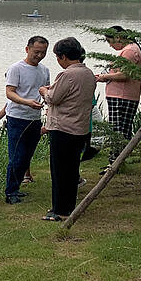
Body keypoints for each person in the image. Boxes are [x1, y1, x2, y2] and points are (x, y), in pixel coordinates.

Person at [39, 37, 97, 222]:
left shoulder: (67, 75)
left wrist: (44, 91)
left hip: (63, 129)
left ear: (63, 57)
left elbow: (53, 98)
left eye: (57, 56)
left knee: (59, 171)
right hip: (80, 129)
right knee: (72, 170)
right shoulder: (88, 73)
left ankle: (60, 210)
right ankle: (68, 206)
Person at [1, 36, 51, 204]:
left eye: (43, 52)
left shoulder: (44, 70)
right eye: (36, 52)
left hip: (35, 118)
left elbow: (46, 91)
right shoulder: (17, 68)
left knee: (27, 156)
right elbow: (10, 92)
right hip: (17, 117)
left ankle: (16, 188)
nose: (39, 55)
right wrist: (26, 102)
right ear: (27, 49)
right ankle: (11, 192)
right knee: (16, 156)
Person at [96, 25, 141, 164]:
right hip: (124, 95)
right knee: (122, 129)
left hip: (122, 96)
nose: (110, 46)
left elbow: (125, 75)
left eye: (110, 42)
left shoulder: (129, 50)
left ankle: (115, 161)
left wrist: (104, 77)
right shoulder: (132, 48)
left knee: (118, 130)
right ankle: (118, 160)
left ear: (118, 38)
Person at [0, 105, 34, 183]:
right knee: (21, 151)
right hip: (16, 124)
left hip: (29, 122)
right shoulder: (14, 98)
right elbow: (6, 108)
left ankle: (26, 175)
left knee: (25, 151)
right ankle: (24, 176)